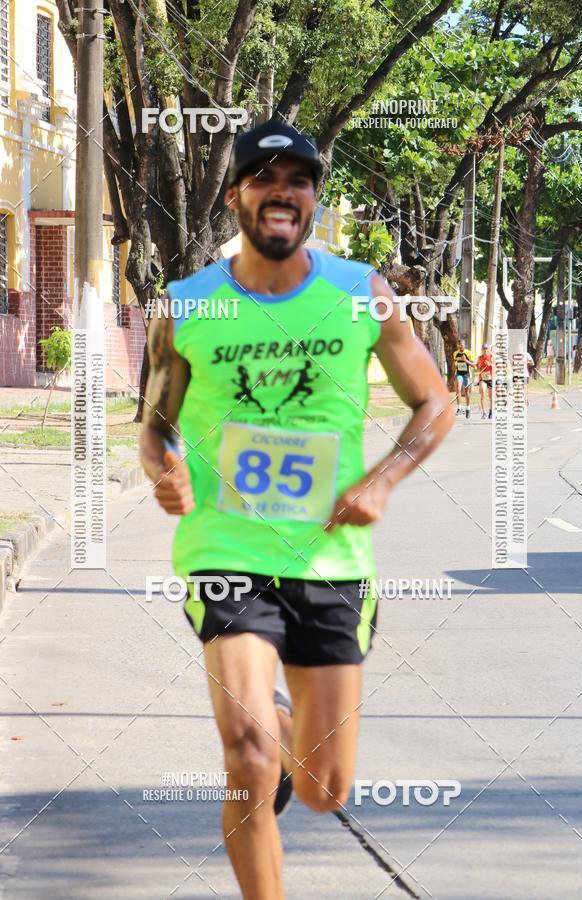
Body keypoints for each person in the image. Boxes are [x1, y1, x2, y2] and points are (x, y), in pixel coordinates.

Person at [140, 120, 454, 900]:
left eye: (299, 179)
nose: (283, 191)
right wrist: (165, 471)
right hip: (226, 552)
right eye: (265, 177)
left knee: (322, 789)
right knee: (245, 758)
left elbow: (435, 402)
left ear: (312, 198)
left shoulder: (359, 294)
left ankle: (286, 730)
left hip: (331, 561)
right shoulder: (189, 305)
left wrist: (382, 481)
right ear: (237, 193)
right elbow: (155, 425)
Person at [453, 338, 477, 418]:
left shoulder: (469, 353)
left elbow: (474, 365)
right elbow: (454, 366)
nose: (460, 347)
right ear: (458, 346)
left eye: (462, 346)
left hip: (467, 374)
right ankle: (459, 408)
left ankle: (468, 408)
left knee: (467, 392)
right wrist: (455, 365)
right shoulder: (455, 353)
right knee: (458, 389)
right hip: (459, 374)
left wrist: (466, 361)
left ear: (464, 345)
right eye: (459, 346)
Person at [476, 343, 493, 419]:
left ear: (489, 350)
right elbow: (477, 366)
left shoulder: (492, 357)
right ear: (482, 350)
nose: (485, 351)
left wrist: (490, 365)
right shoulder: (480, 358)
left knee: (491, 396)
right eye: (484, 349)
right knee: (483, 393)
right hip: (482, 378)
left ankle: (491, 411)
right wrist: (478, 366)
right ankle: (484, 413)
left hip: (490, 378)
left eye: (486, 349)